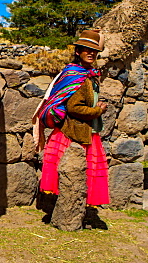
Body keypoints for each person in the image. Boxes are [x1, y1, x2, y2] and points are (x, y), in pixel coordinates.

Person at [32, 28, 110, 215]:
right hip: (73, 131)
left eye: (94, 51)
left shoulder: (88, 74)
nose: (91, 53)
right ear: (78, 52)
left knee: (78, 174)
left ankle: (71, 211)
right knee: (74, 172)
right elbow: (74, 108)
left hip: (83, 130)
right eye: (86, 49)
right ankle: (67, 212)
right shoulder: (77, 75)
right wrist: (97, 110)